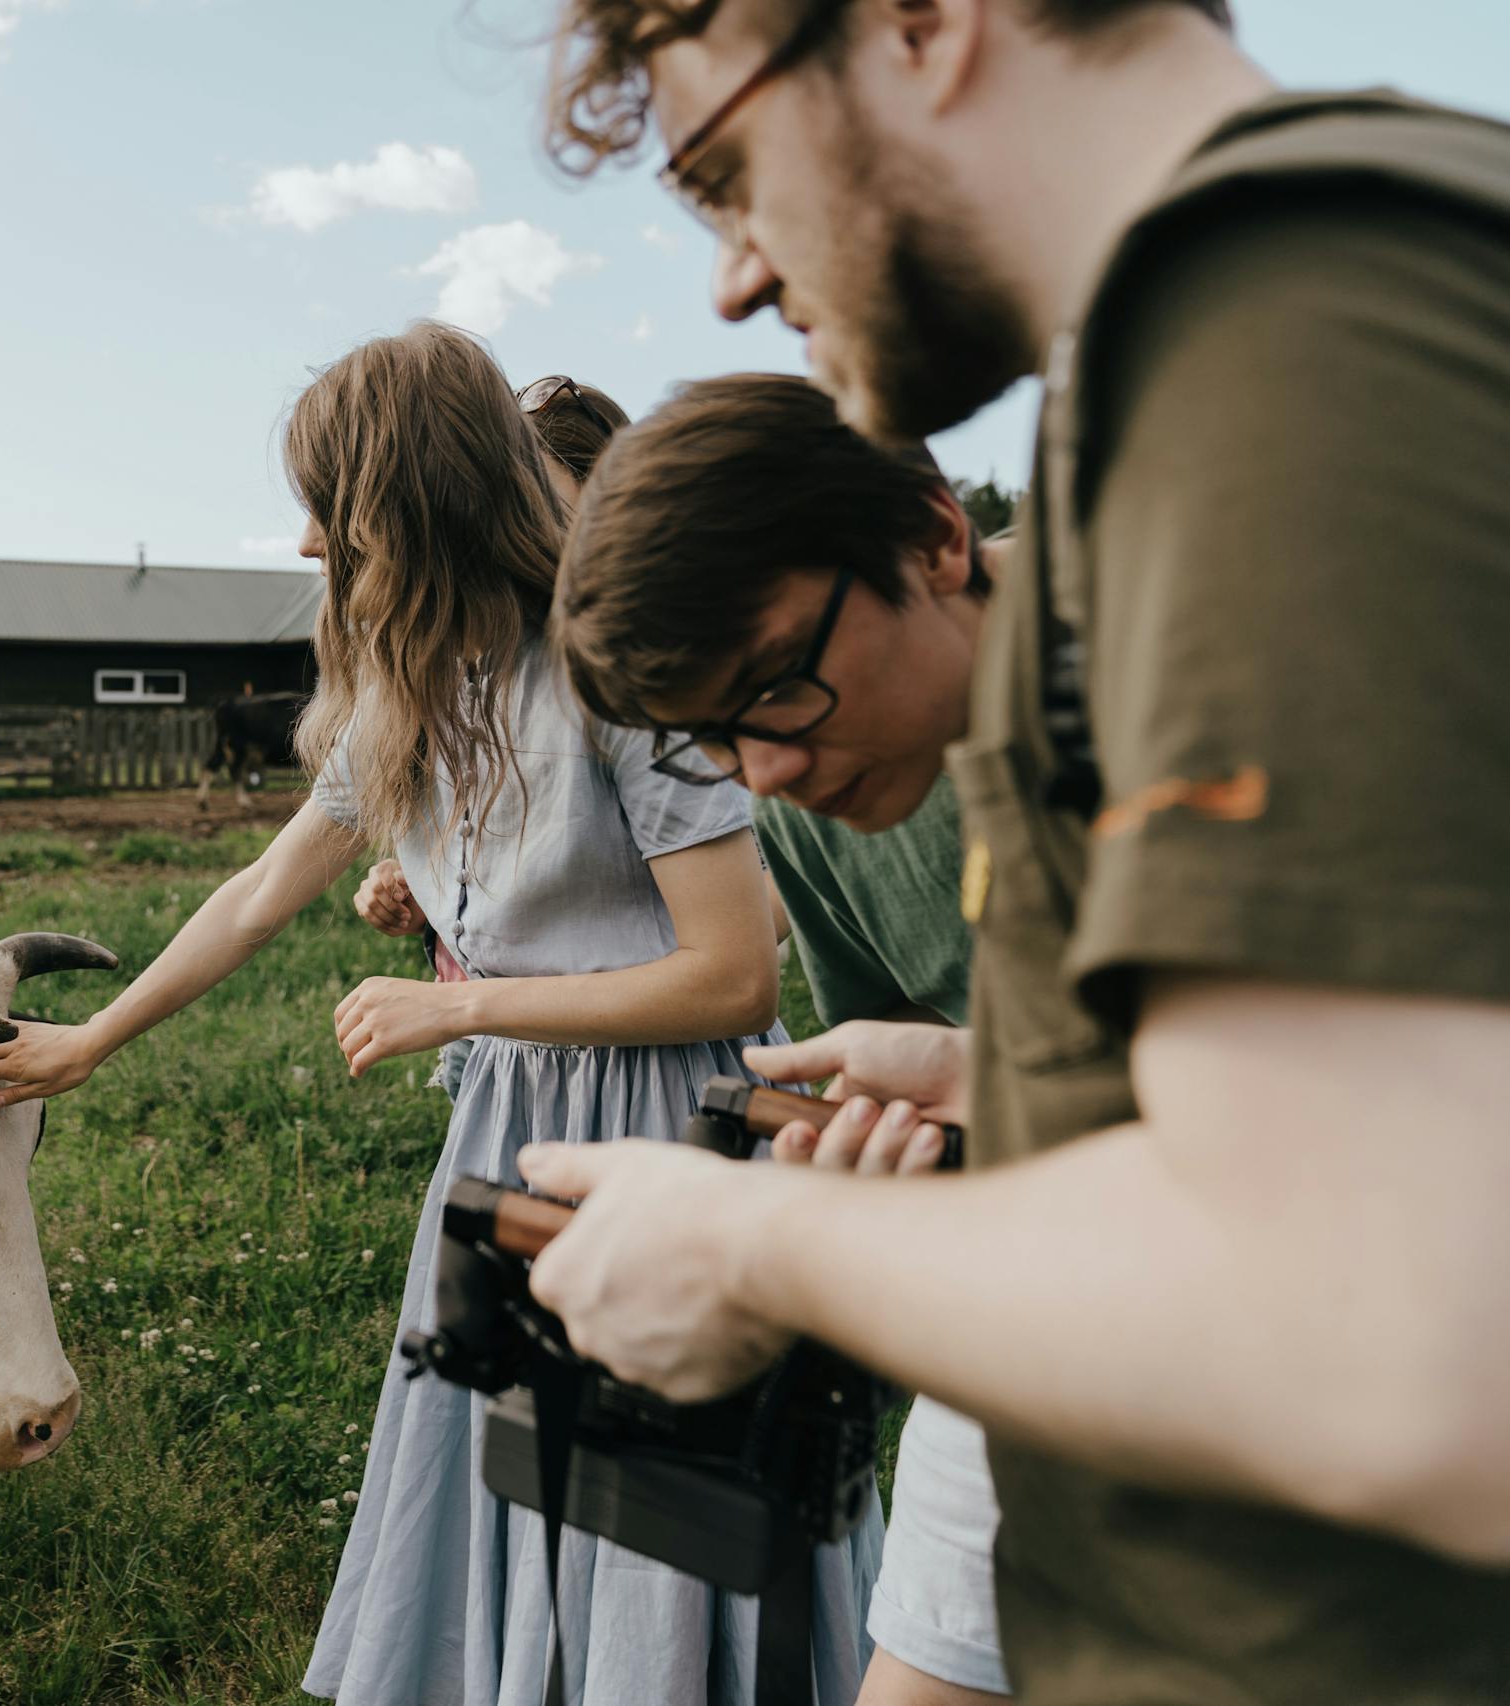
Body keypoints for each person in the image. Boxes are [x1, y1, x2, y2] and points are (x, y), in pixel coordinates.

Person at [527, 2, 1510, 1701]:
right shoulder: (1202, 377)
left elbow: (1400, 1356)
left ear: (920, 20)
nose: (735, 279)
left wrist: (754, 1247)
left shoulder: (1273, 346)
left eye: (723, 171)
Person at [0, 321, 879, 1704]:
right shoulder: (406, 695)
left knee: (662, 1514)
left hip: (666, 1133)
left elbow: (734, 974)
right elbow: (260, 891)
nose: (312, 547)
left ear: (407, 505)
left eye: (329, 508)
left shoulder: (622, 672)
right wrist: (95, 1037)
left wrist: (465, 1005)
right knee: (517, 1475)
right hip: (510, 1133)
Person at [558, 371, 1012, 1705]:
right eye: (707, 738)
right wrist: (954, 1104)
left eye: (774, 688)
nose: (762, 773)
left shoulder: (1196, 679)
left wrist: (779, 1256)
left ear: (934, 539)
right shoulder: (815, 792)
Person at [354, 373, 635, 1102]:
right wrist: (414, 877)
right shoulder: (452, 675)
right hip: (481, 1047)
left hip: (617, 1065)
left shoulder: (633, 682)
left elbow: (747, 931)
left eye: (552, 512)